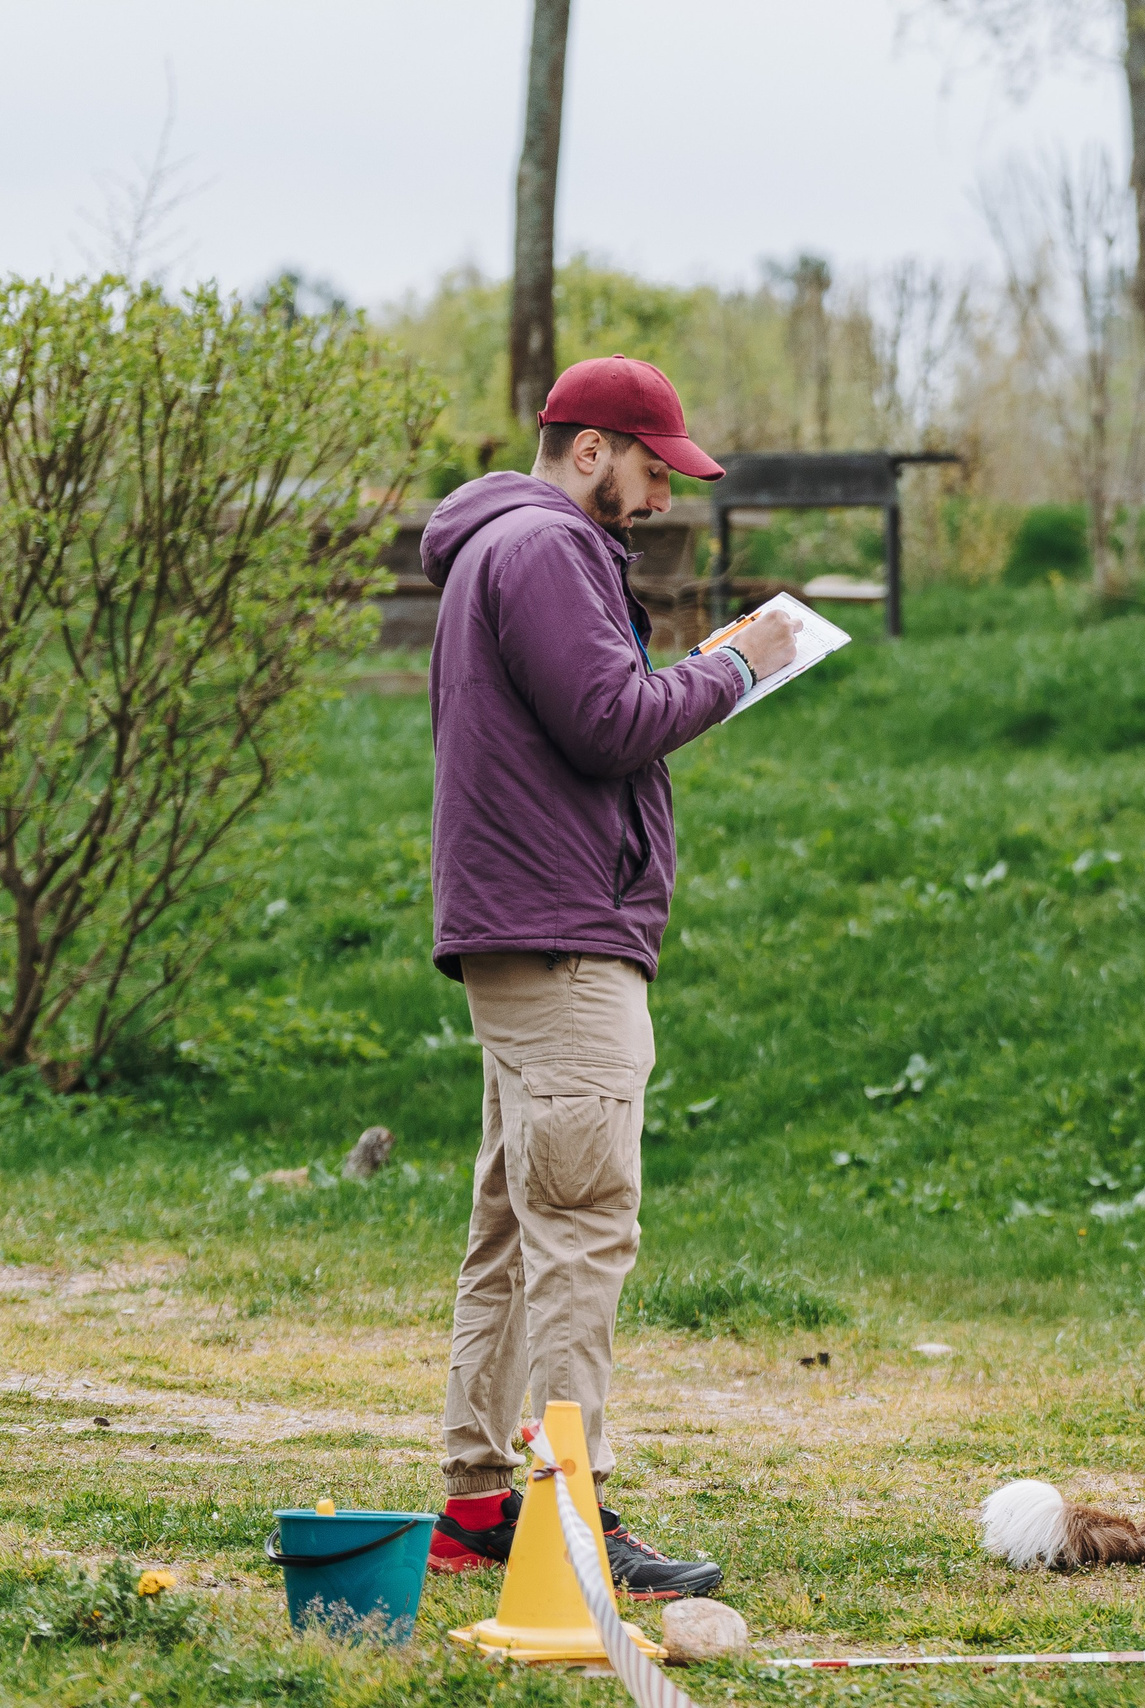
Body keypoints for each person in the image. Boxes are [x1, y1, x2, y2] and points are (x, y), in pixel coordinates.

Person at [417, 355, 797, 1598]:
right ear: (590, 450)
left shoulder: (505, 548)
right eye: (647, 470)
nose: (655, 498)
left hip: (529, 927)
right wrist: (743, 663)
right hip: (564, 935)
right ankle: (566, 1516)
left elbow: (593, 709)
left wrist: (708, 661)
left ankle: (480, 1502)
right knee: (582, 1229)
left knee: (510, 1230)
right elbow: (610, 720)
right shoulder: (543, 550)